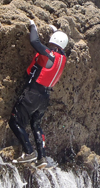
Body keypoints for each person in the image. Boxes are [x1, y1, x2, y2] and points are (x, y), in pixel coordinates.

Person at [9, 20, 68, 169]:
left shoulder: (50, 54)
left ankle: (29, 152)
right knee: (36, 125)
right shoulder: (62, 58)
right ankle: (42, 157)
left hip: (33, 93)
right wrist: (54, 32)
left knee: (15, 120)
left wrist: (33, 26)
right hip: (45, 96)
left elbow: (35, 41)